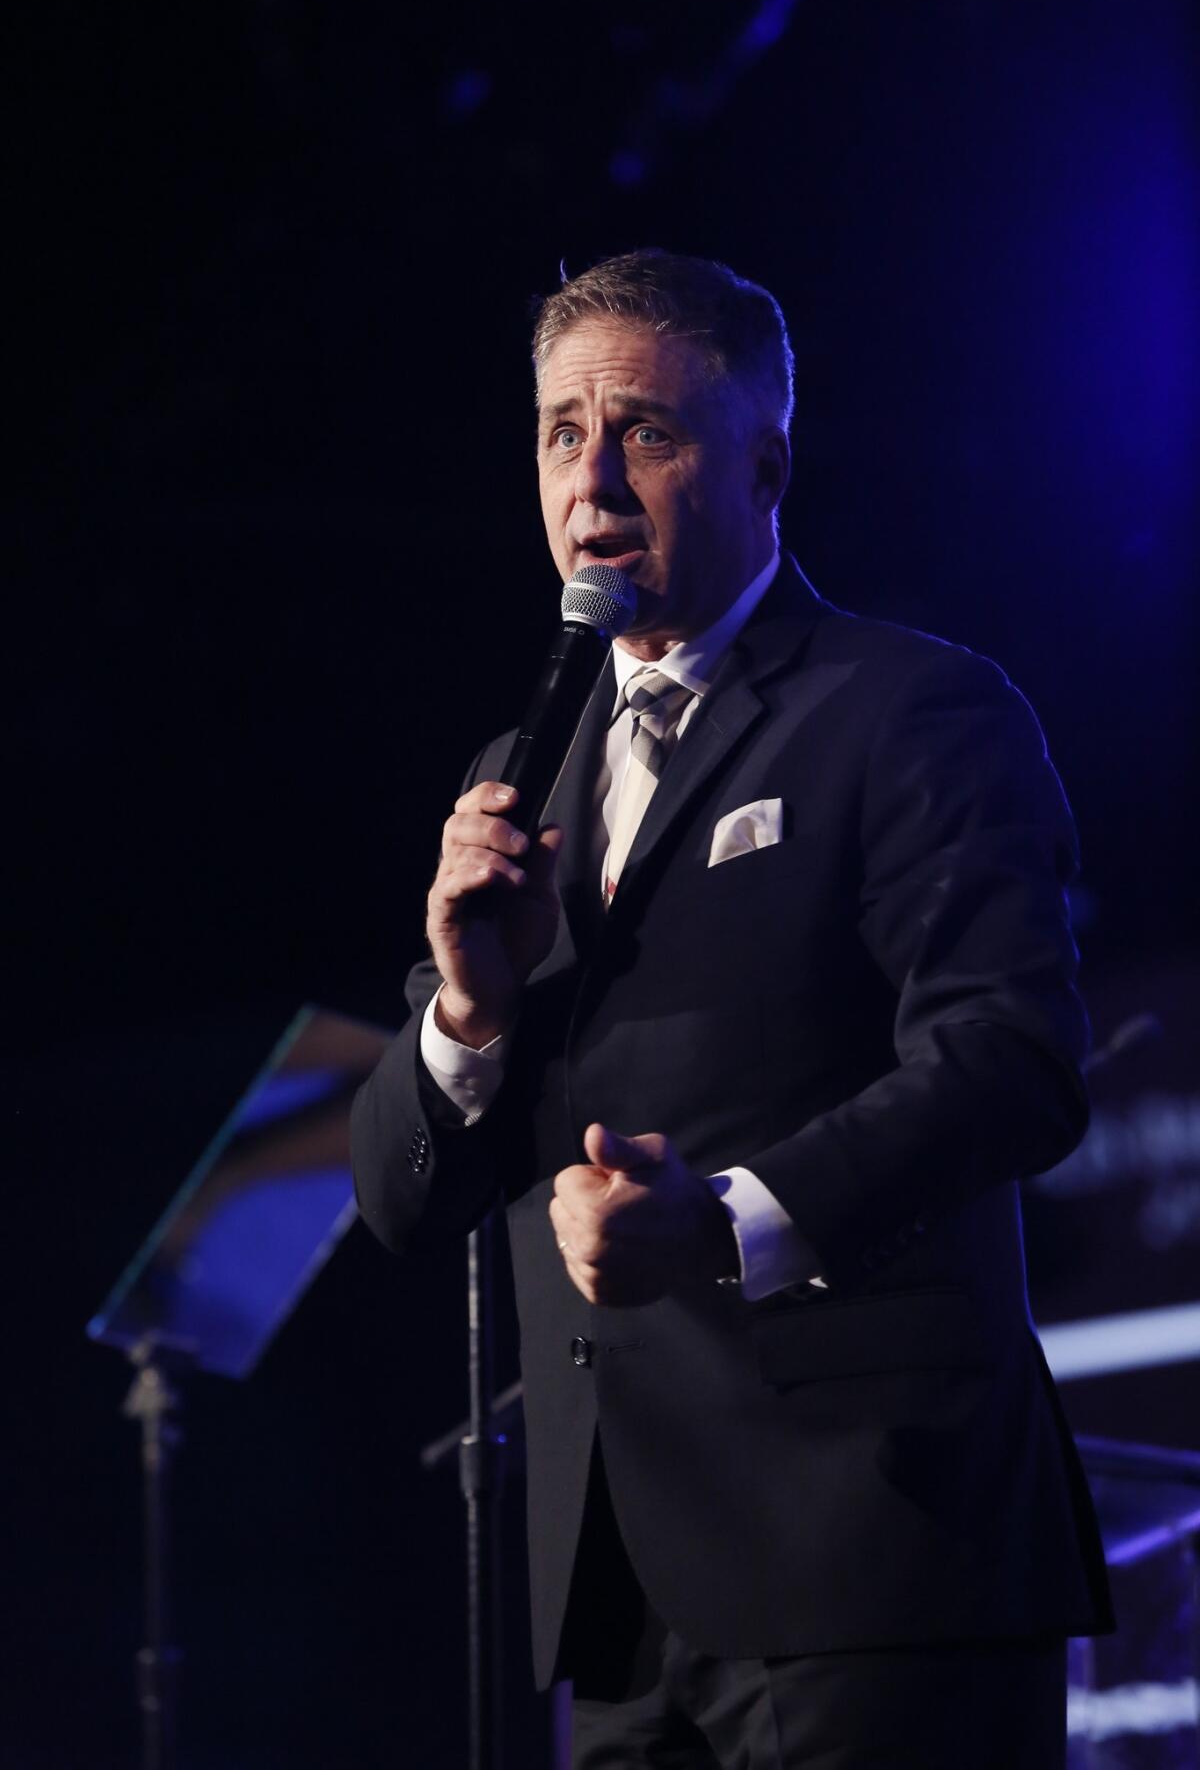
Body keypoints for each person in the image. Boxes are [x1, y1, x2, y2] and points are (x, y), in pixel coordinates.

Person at [352, 250, 1111, 1768]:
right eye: (563, 432)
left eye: (649, 429)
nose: (596, 475)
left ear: (765, 462)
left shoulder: (908, 708)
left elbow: (1008, 1062)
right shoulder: (525, 766)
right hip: (618, 1591)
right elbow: (395, 1197)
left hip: (873, 1557)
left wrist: (719, 1225)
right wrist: (470, 1014)